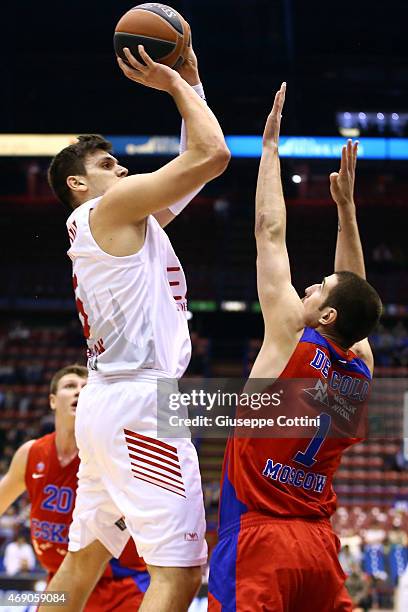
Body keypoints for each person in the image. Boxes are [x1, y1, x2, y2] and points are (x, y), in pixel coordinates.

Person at [43, 43, 230, 612]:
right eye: (107, 166)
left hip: (110, 399)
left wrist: (192, 90)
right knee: (179, 572)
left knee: (83, 561)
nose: (121, 169)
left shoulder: (115, 220)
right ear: (78, 185)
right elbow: (214, 154)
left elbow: (192, 176)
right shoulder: (113, 209)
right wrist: (174, 85)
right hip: (139, 405)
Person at [208, 84, 382, 611]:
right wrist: (346, 211)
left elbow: (269, 231)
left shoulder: (288, 340)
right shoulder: (362, 367)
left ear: (325, 315)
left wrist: (268, 153)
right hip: (318, 549)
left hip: (260, 541)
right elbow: (356, 291)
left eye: (317, 289)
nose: (307, 287)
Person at [0, 365, 149, 610]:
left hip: (118, 584)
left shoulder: (114, 452)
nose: (79, 392)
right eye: (70, 386)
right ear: (52, 401)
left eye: (87, 388)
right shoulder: (31, 453)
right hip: (60, 580)